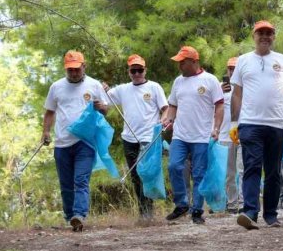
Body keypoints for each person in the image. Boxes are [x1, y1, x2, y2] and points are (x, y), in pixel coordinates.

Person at [231, 20, 283, 230]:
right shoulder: (243, 60)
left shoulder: (282, 60)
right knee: (252, 167)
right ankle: (250, 212)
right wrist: (234, 122)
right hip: (250, 123)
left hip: (277, 123)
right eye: (261, 33)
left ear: (273, 37)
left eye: (269, 33)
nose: (265, 37)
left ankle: (270, 214)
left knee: (273, 171)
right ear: (254, 36)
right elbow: (237, 94)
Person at [42, 50, 109, 232]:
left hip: (85, 142)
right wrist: (46, 132)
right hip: (62, 143)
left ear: (83, 66)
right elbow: (49, 112)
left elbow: (105, 110)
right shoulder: (56, 87)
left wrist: (101, 107)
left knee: (80, 180)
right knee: (65, 184)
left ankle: (79, 215)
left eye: (76, 69)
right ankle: (70, 216)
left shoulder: (94, 85)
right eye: (70, 70)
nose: (73, 73)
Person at [160, 46, 224, 225]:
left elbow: (219, 106)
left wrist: (216, 128)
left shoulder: (210, 80)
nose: (180, 65)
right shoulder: (178, 82)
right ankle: (181, 204)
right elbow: (172, 105)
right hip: (180, 135)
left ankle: (197, 210)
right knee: (173, 166)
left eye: (183, 62)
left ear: (194, 61)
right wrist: (168, 119)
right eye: (179, 62)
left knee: (199, 174)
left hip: (202, 136)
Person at [103, 54, 168, 220]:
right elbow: (104, 100)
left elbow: (165, 108)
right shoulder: (123, 89)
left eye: (140, 70)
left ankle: (147, 211)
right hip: (129, 139)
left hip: (148, 138)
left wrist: (163, 119)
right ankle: (143, 211)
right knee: (135, 177)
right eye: (134, 70)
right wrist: (101, 88)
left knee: (145, 174)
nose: (137, 73)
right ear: (129, 71)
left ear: (145, 70)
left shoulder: (154, 87)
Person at [218, 57, 244, 212]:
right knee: (229, 173)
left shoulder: (245, 86)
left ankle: (243, 202)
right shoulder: (219, 89)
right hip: (225, 135)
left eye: (235, 68)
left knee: (243, 170)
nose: (232, 71)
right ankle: (232, 202)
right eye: (230, 68)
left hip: (242, 134)